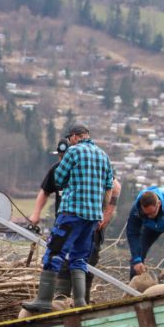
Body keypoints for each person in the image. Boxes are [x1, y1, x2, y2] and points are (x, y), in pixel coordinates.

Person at [23, 124, 115, 313]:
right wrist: (101, 212)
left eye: (70, 138)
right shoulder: (103, 156)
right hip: (92, 217)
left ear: (74, 137)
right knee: (80, 258)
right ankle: (80, 302)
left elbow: (59, 179)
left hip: (71, 213)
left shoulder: (73, 152)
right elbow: (109, 188)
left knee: (54, 253)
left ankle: (43, 301)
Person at [125, 186, 164, 278]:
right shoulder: (136, 209)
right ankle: (133, 287)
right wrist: (137, 259)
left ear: (159, 203)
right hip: (150, 227)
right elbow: (132, 233)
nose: (150, 216)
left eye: (152, 212)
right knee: (137, 257)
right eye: (146, 214)